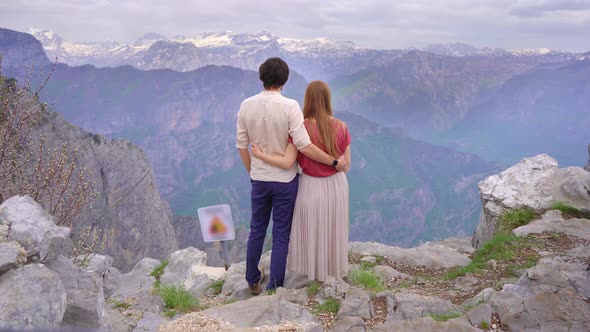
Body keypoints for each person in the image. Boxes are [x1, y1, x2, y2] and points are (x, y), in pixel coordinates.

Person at [236, 58, 348, 294]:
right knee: (281, 233)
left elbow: (241, 145)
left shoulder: (246, 105)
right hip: (285, 180)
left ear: (261, 77)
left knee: (257, 228)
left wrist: (252, 172)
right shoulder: (290, 107)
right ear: (285, 80)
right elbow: (304, 146)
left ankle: (252, 279)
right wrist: (334, 161)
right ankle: (275, 285)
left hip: (260, 179)